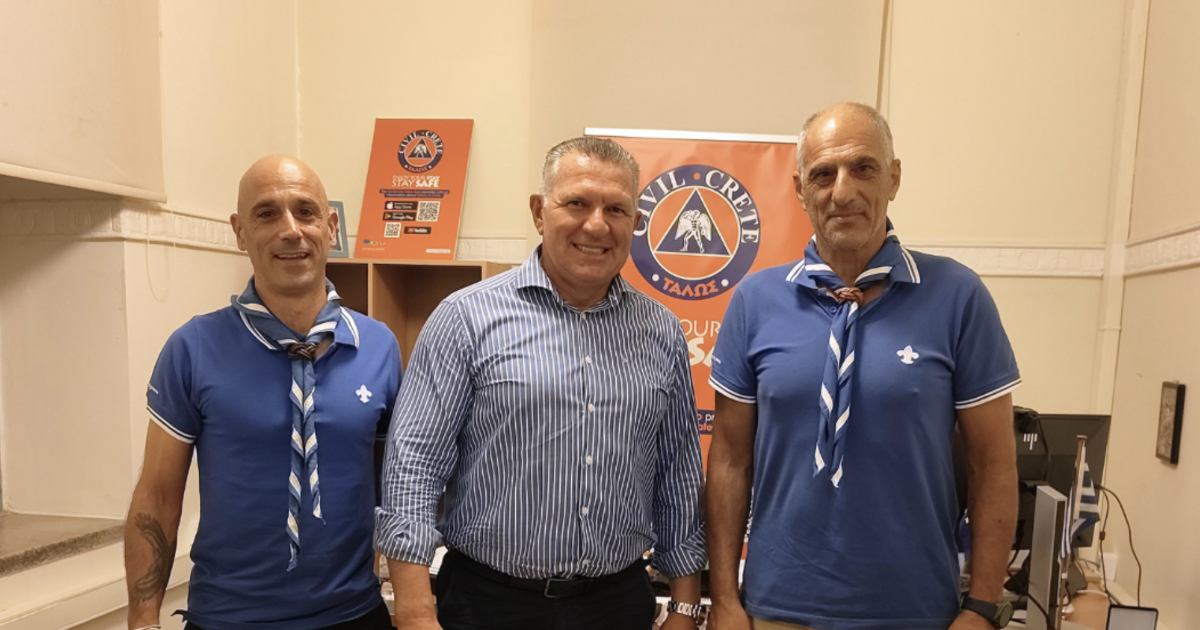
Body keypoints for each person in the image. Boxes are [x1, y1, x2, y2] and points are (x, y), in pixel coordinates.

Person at [705, 103, 1021, 630]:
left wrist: (984, 608)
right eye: (823, 174)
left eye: (863, 168)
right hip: (776, 609)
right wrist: (724, 600)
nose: (843, 191)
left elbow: (993, 465)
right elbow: (729, 462)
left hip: (916, 611)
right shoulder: (755, 301)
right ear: (799, 189)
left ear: (894, 177)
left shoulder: (958, 296)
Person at [374, 137, 706, 630]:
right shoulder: (465, 318)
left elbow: (677, 475)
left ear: (635, 222)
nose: (597, 224)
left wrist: (684, 606)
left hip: (617, 605)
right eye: (577, 203)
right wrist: (416, 610)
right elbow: (414, 466)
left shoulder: (661, 332)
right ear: (538, 212)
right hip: (487, 604)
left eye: (616, 209)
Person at [125, 155, 402, 630]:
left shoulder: (379, 346)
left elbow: (394, 487)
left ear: (331, 227)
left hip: (354, 614)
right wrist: (143, 621)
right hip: (228, 619)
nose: (290, 230)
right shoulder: (193, 347)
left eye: (306, 211)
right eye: (267, 213)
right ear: (239, 232)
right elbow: (158, 495)